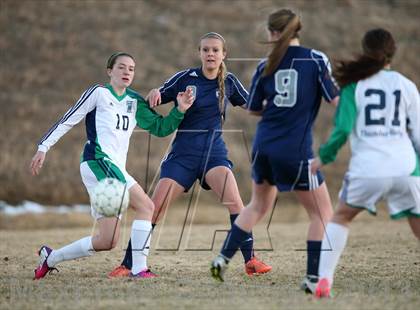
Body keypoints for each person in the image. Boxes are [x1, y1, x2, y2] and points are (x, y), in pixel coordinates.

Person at [108, 32, 272, 278]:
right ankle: (128, 263)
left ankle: (251, 261)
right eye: (206, 50)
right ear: (200, 53)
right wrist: (154, 93)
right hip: (182, 156)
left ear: (223, 54)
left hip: (214, 155)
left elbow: (253, 105)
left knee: (236, 203)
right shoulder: (185, 78)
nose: (210, 54)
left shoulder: (229, 82)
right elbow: (159, 96)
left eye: (215, 50)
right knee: (154, 209)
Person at [31, 52, 194, 280]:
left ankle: (50, 258)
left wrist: (180, 109)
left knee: (107, 240)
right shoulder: (98, 93)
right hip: (97, 161)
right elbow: (69, 118)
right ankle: (139, 270)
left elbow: (161, 128)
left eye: (131, 68)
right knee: (147, 207)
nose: (127, 72)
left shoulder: (135, 101)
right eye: (121, 67)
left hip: (112, 169)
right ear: (110, 71)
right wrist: (43, 146)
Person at [210, 9, 339, 292]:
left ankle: (221, 259)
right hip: (295, 149)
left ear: (272, 33)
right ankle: (312, 278)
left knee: (257, 206)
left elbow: (254, 108)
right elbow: (335, 99)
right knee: (322, 215)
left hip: (264, 146)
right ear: (297, 31)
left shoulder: (265, 64)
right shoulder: (315, 59)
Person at [309, 28, 420, 298]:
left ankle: (323, 279)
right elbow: (417, 134)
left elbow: (343, 129)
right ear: (392, 52)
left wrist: (324, 156)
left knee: (342, 217)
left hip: (368, 170)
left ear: (365, 50)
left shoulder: (353, 86)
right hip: (406, 167)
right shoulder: (407, 86)